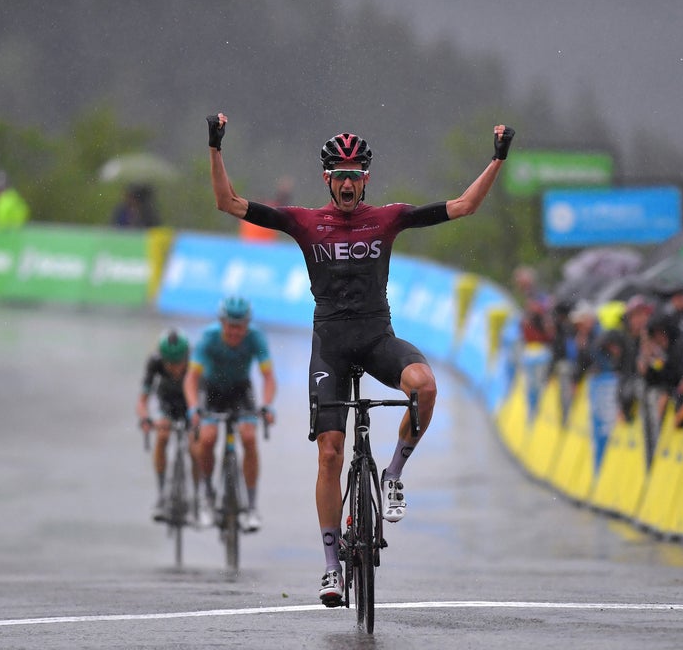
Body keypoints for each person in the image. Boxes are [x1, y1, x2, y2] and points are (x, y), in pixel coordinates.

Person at [204, 111, 514, 606]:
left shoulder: (386, 218)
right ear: (328, 180)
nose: (348, 184)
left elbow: (463, 206)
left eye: (355, 176)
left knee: (426, 387)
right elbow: (227, 202)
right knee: (329, 452)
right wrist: (216, 148)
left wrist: (496, 160)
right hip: (329, 343)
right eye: (340, 176)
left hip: (376, 338)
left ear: (364, 179)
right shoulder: (305, 222)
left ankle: (391, 475)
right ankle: (330, 568)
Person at [183, 296, 276, 533]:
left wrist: (266, 405)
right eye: (230, 326)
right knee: (207, 438)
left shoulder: (256, 338)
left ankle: (252, 507)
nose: (235, 332)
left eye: (240, 326)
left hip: (240, 391)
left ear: (247, 324)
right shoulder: (208, 338)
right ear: (222, 322)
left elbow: (268, 378)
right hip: (212, 390)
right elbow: (192, 379)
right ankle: (206, 497)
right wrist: (193, 407)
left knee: (248, 437)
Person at [136, 329, 196, 524]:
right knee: (162, 436)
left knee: (196, 446)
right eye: (169, 363)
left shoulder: (196, 361)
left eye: (179, 363)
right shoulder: (154, 362)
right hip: (166, 403)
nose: (175, 368)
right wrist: (145, 419)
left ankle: (199, 494)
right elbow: (143, 399)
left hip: (191, 403)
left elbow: (206, 393)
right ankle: (162, 494)